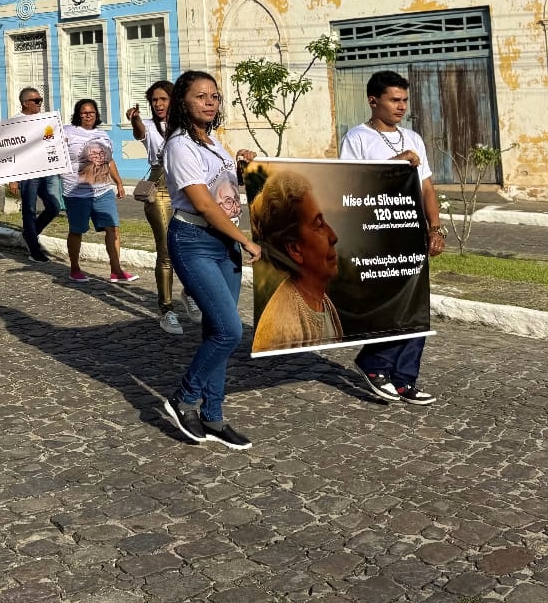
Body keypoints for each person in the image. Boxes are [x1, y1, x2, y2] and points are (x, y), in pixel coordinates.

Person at [158, 71, 260, 451]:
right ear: (184, 102)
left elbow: (226, 188)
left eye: (214, 96)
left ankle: (214, 416)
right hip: (194, 239)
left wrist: (243, 168)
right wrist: (243, 239)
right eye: (201, 96)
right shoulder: (180, 145)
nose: (210, 102)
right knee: (230, 330)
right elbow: (202, 202)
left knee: (216, 331)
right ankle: (182, 400)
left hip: (223, 243)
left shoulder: (213, 141)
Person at [338, 69, 444, 406]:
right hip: (377, 232)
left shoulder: (413, 138)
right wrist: (394, 164)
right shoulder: (357, 138)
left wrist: (435, 226)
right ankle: (375, 363)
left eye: (404, 100)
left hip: (410, 230)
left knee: (415, 304)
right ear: (373, 101)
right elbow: (350, 186)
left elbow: (426, 185)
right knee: (388, 304)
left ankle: (404, 378)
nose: (401, 107)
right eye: (394, 100)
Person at [249, 169, 343, 352]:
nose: (333, 236)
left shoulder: (321, 300)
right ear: (294, 249)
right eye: (318, 225)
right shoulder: (281, 326)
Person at [129, 80, 192, 333]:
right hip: (161, 189)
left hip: (187, 186)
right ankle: (167, 310)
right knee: (166, 251)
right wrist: (134, 119)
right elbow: (139, 132)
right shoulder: (150, 128)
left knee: (189, 247)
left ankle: (189, 293)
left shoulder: (186, 125)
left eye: (163, 99)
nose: (158, 104)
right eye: (154, 100)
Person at [61, 98, 133, 284]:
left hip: (102, 190)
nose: (88, 115)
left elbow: (109, 161)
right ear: (78, 114)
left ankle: (116, 270)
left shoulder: (103, 135)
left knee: (113, 228)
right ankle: (75, 268)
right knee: (77, 230)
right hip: (75, 191)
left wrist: (119, 183)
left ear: (96, 115)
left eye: (91, 112)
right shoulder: (67, 132)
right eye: (84, 112)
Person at [14, 87, 60, 264]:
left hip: (46, 170)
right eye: (36, 101)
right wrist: (13, 179)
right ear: (26, 103)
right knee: (29, 210)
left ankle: (29, 234)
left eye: (41, 100)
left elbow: (50, 139)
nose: (40, 104)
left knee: (54, 207)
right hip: (27, 172)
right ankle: (34, 249)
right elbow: (11, 150)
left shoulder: (44, 119)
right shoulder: (15, 123)